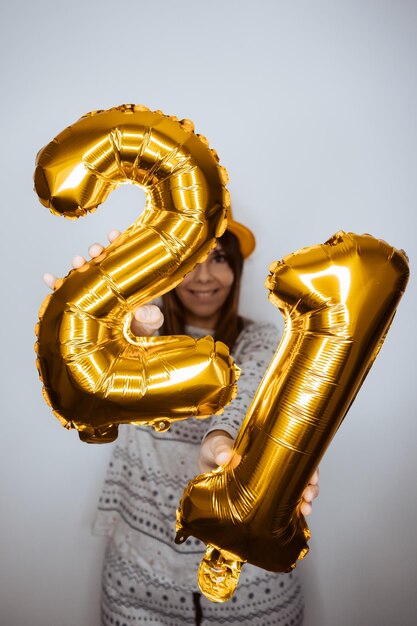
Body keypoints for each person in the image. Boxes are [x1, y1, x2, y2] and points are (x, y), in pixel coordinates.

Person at [44, 214, 319, 626]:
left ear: (237, 270)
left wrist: (220, 444)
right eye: (192, 261)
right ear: (167, 267)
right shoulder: (136, 340)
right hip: (139, 581)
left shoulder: (264, 341)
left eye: (220, 259)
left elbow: (245, 393)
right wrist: (89, 328)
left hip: (252, 592)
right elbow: (92, 405)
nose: (205, 276)